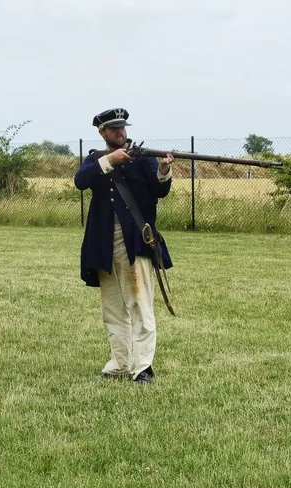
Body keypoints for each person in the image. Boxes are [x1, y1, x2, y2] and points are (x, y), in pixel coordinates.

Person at [74, 108, 174, 384]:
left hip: (136, 241)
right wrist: (110, 160)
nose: (120, 131)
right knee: (113, 310)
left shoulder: (142, 159)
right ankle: (120, 364)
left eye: (122, 127)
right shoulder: (96, 159)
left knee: (141, 307)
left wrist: (164, 169)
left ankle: (143, 368)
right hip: (103, 245)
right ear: (102, 132)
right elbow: (81, 180)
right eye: (114, 128)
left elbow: (160, 189)